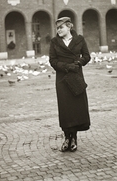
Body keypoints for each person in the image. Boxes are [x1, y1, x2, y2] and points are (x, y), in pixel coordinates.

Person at [49, 17, 91, 152]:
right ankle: (67, 137)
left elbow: (87, 56)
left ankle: (74, 138)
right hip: (62, 79)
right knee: (65, 109)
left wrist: (78, 63)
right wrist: (67, 66)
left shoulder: (80, 40)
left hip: (76, 77)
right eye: (57, 28)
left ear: (69, 27)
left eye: (61, 27)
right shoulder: (54, 42)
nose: (58, 30)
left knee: (77, 108)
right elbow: (53, 61)